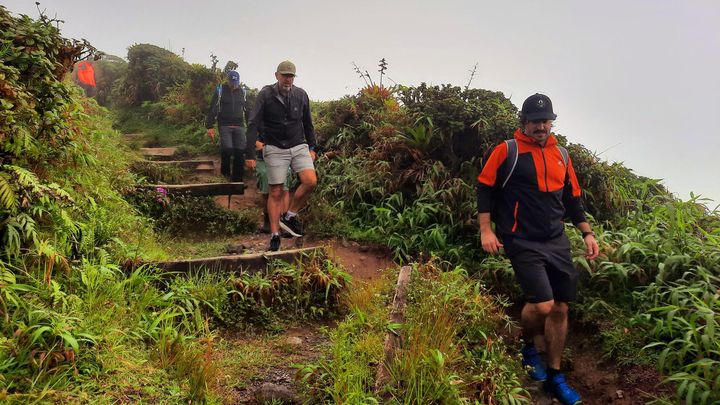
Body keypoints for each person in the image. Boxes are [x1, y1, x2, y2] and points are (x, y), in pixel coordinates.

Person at [476, 93, 599, 405]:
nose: (541, 126)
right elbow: (485, 188)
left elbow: (572, 198)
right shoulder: (508, 151)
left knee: (561, 307)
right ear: (524, 122)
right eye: (535, 121)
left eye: (546, 120)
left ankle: (555, 376)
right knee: (543, 306)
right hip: (521, 239)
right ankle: (528, 344)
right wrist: (486, 230)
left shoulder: (563, 155)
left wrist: (586, 233)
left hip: (556, 239)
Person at [247, 60, 317, 251]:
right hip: (275, 147)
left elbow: (307, 123)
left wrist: (312, 147)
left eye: (291, 75)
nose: (288, 79)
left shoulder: (301, 95)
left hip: (298, 144)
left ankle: (290, 216)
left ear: (294, 77)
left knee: (310, 181)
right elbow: (253, 122)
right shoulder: (265, 95)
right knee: (276, 191)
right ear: (276, 75)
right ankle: (275, 234)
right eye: (284, 75)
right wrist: (249, 153)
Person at [206, 70, 255, 182]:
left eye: (236, 82)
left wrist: (250, 127)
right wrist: (209, 126)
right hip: (224, 124)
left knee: (240, 150)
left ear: (239, 81)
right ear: (227, 80)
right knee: (227, 149)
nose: (234, 85)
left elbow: (248, 111)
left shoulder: (243, 93)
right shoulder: (220, 91)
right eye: (232, 82)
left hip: (239, 125)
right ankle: (225, 175)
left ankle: (237, 179)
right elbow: (213, 108)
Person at [254, 139, 295, 233]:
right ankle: (268, 219)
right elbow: (252, 136)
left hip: (282, 156)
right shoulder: (258, 124)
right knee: (267, 191)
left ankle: (285, 222)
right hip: (263, 158)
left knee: (284, 189)